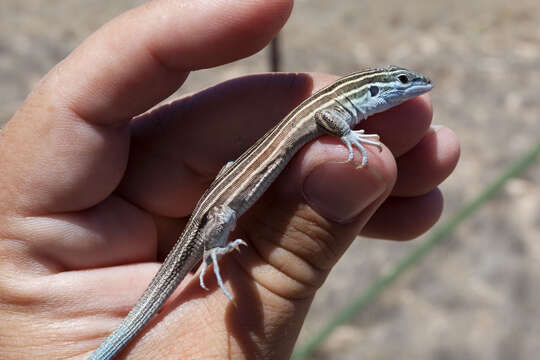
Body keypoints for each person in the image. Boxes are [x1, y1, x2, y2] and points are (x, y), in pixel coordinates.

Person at [0, 0, 459, 358]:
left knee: (224, 187)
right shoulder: (339, 108)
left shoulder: (339, 104)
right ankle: (215, 249)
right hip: (218, 212)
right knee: (220, 215)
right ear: (374, 91)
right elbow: (332, 120)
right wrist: (215, 248)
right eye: (401, 82)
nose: (412, 87)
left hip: (230, 185)